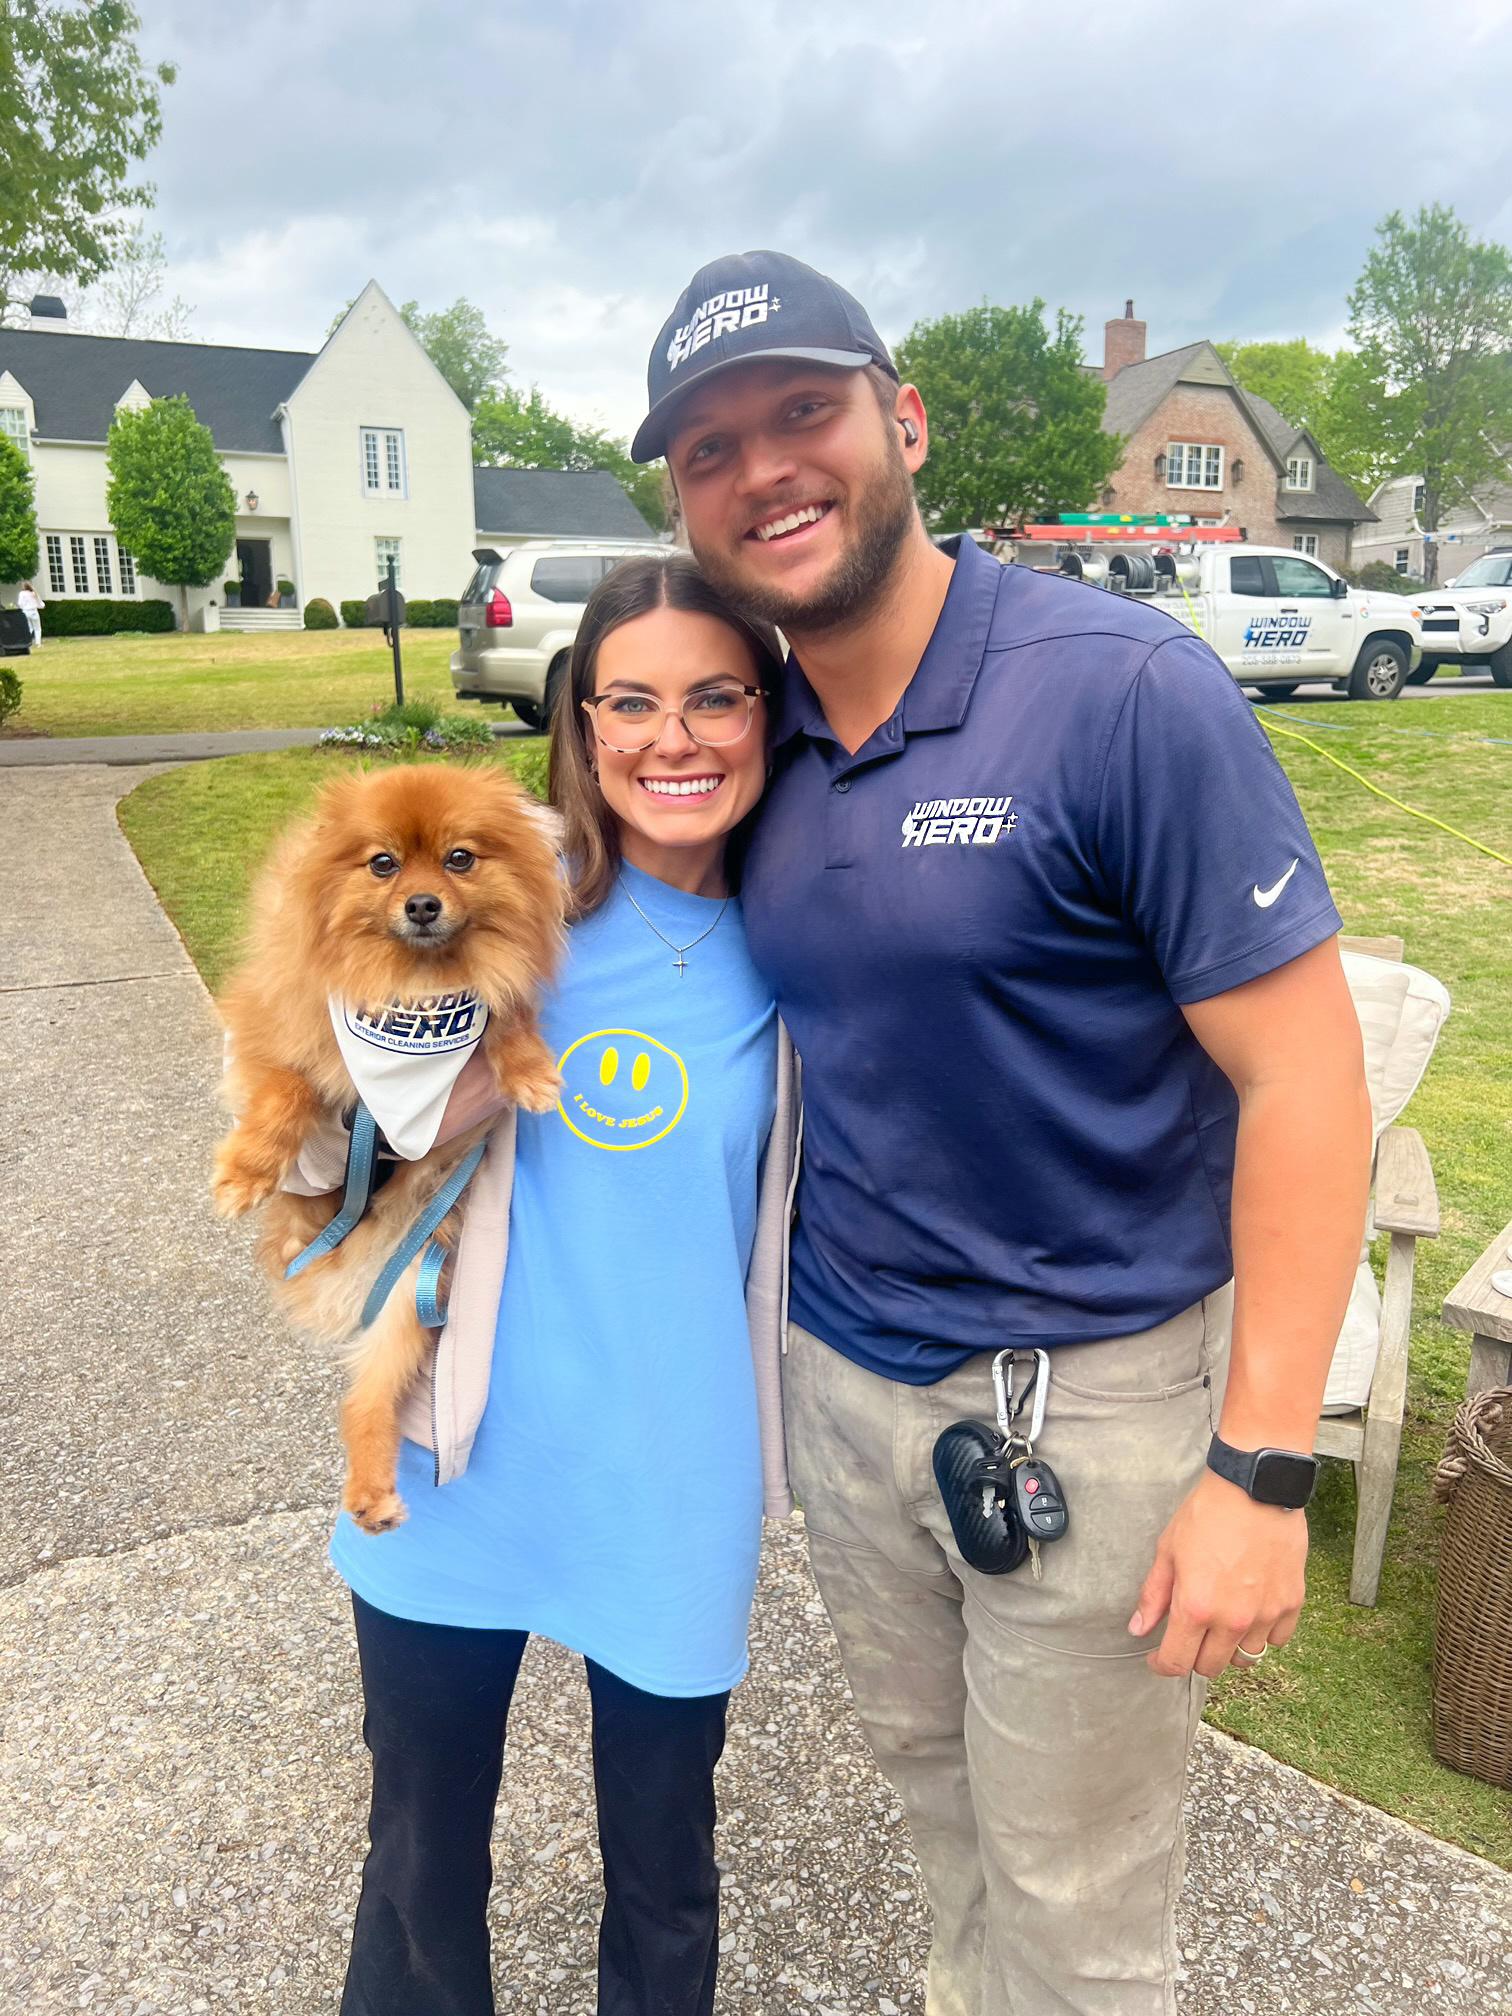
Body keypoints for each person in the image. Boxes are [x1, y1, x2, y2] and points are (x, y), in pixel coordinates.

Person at [628, 251, 1374, 2016]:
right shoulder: (755, 736)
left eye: (801, 412)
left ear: (902, 420)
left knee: (1081, 1911)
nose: (761, 469)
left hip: (1091, 1410)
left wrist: (1261, 1467)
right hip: (846, 1392)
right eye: (709, 447)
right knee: (946, 1831)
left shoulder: (1118, 693)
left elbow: (1305, 1080)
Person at [306, 554, 796, 2016]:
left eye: (716, 697)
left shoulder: (811, 948)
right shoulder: (501, 915)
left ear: (770, 714)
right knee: (418, 1872)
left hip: (671, 1482)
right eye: (629, 702)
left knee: (665, 1884)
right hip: (454, 1471)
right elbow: (316, 1121)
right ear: (581, 728)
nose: (673, 738)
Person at [17, 580, 43, 648]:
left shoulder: (21, 593)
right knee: (37, 628)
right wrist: (41, 606)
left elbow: (20, 603)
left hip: (25, 612)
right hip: (33, 611)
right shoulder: (33, 593)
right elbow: (39, 602)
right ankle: (38, 643)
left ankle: (28, 642)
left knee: (29, 628)